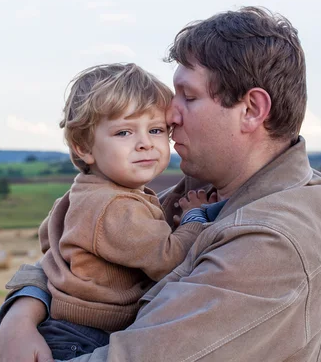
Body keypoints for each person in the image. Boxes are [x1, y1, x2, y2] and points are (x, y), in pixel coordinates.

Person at [0, 6, 321, 362]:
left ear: (251, 109)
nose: (170, 115)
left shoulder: (270, 244)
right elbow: (76, 255)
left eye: (188, 97)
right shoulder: (207, 188)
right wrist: (22, 312)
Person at [18, 63, 215, 360]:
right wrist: (194, 217)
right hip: (85, 337)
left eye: (156, 129)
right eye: (124, 132)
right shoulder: (115, 206)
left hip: (68, 329)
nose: (145, 143)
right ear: (84, 147)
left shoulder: (83, 193)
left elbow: (49, 236)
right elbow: (169, 259)